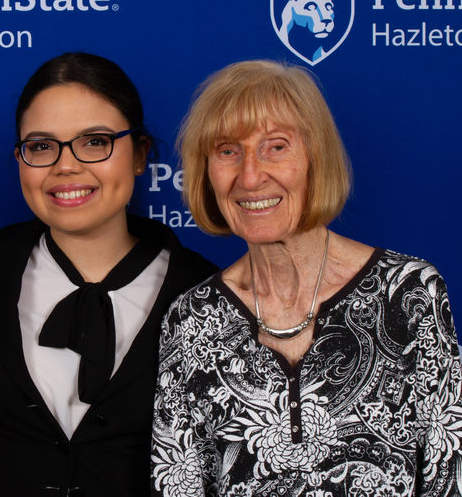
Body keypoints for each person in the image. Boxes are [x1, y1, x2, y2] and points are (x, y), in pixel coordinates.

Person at [151, 60, 462, 496]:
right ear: (206, 172)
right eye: (226, 151)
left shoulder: (409, 293)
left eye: (275, 147)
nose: (250, 175)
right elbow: (177, 484)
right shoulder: (191, 319)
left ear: (315, 158)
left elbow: (448, 474)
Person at [0, 52, 216, 496]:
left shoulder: (206, 294)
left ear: (140, 154)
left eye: (95, 141)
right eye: (41, 146)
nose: (65, 165)